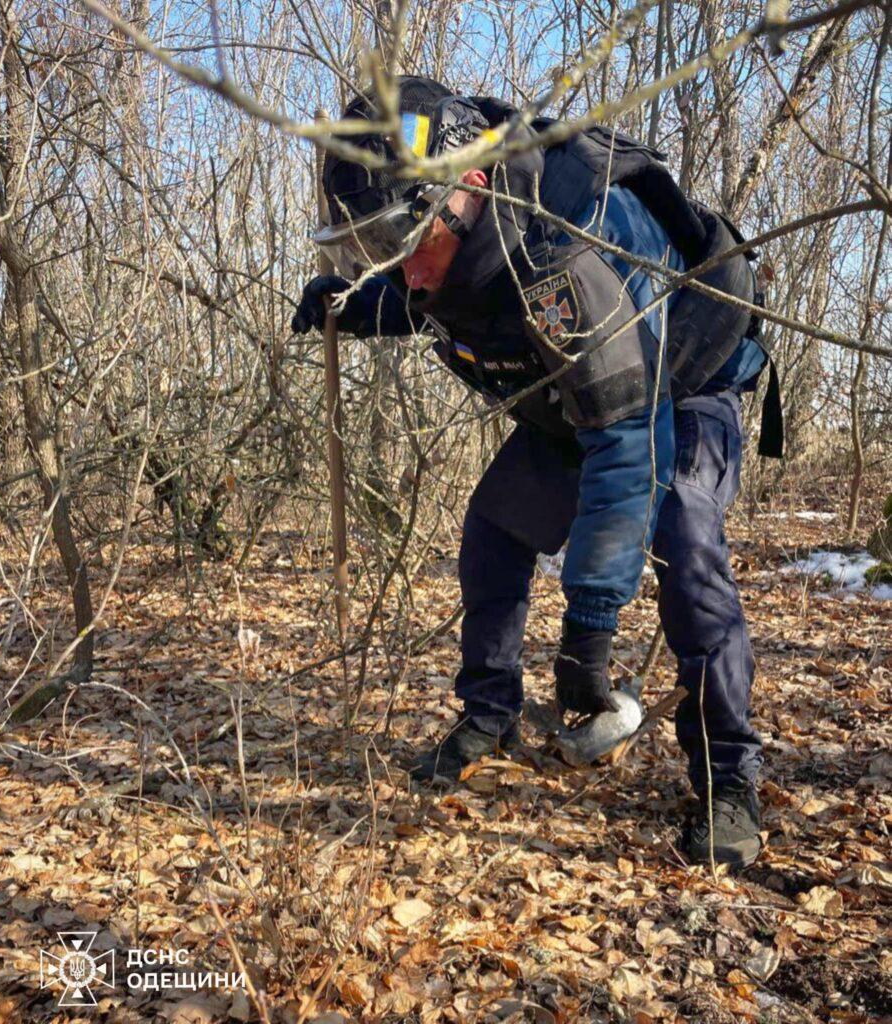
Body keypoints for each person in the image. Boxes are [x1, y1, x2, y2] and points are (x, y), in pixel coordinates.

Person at [292, 76, 782, 867]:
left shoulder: (562, 257)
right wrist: (351, 300)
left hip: (684, 386)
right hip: (578, 395)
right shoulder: (451, 239)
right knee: (494, 529)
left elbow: (632, 441)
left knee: (683, 534)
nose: (399, 269)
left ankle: (729, 780)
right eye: (369, 248)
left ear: (468, 188)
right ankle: (488, 717)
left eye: (395, 244)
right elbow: (433, 296)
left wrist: (589, 626)